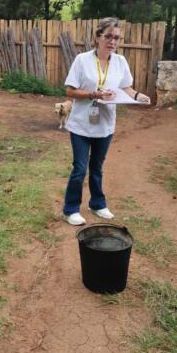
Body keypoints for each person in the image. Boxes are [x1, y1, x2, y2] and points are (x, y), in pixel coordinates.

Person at [62, 17, 150, 226]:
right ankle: (70, 209)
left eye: (116, 38)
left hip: (105, 125)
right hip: (81, 125)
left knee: (97, 167)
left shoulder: (120, 62)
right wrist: (94, 95)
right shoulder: (82, 60)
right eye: (108, 36)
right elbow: (69, 90)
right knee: (80, 168)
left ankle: (98, 204)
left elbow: (126, 88)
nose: (112, 42)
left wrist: (138, 96)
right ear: (97, 37)